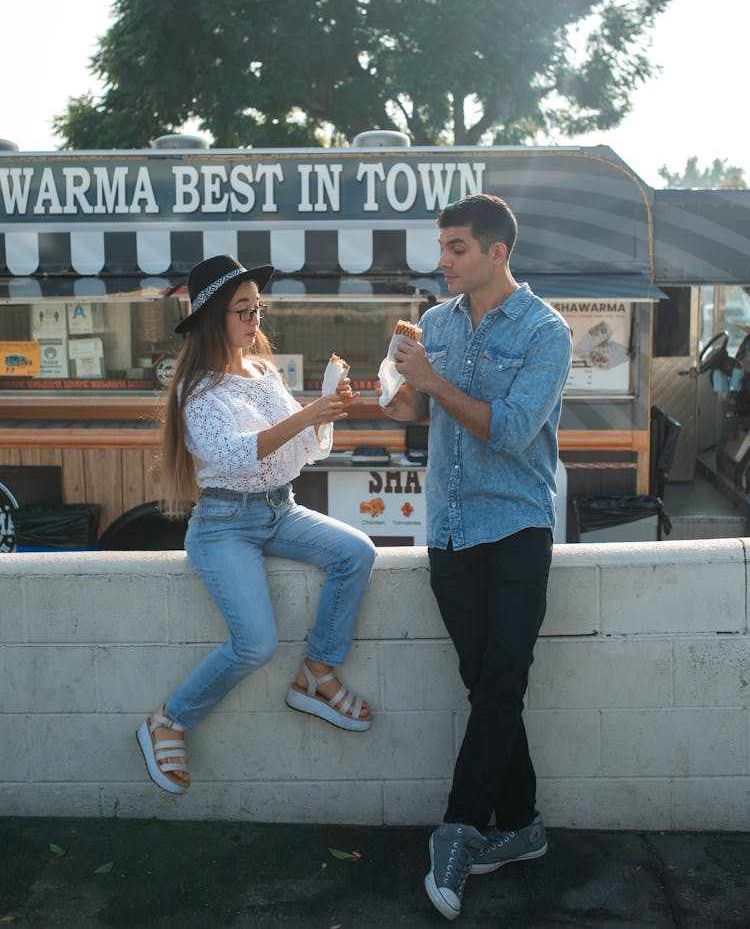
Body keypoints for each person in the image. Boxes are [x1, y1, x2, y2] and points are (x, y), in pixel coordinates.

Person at [380, 195, 572, 921]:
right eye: (443, 246)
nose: (444, 259)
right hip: (450, 531)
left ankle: (459, 831)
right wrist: (399, 399)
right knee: (487, 683)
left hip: (517, 525)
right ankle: (521, 824)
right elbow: (422, 419)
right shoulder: (433, 325)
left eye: (457, 247)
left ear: (497, 251)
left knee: (500, 679)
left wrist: (431, 382)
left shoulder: (546, 331)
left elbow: (515, 431)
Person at [136, 254, 376, 795]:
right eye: (243, 310)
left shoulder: (264, 373)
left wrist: (325, 410)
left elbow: (303, 446)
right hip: (223, 524)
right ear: (212, 317)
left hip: (279, 508)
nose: (254, 320)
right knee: (255, 645)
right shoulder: (193, 389)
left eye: (258, 308)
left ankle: (317, 671)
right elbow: (235, 454)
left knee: (357, 551)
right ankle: (168, 720)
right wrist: (308, 414)